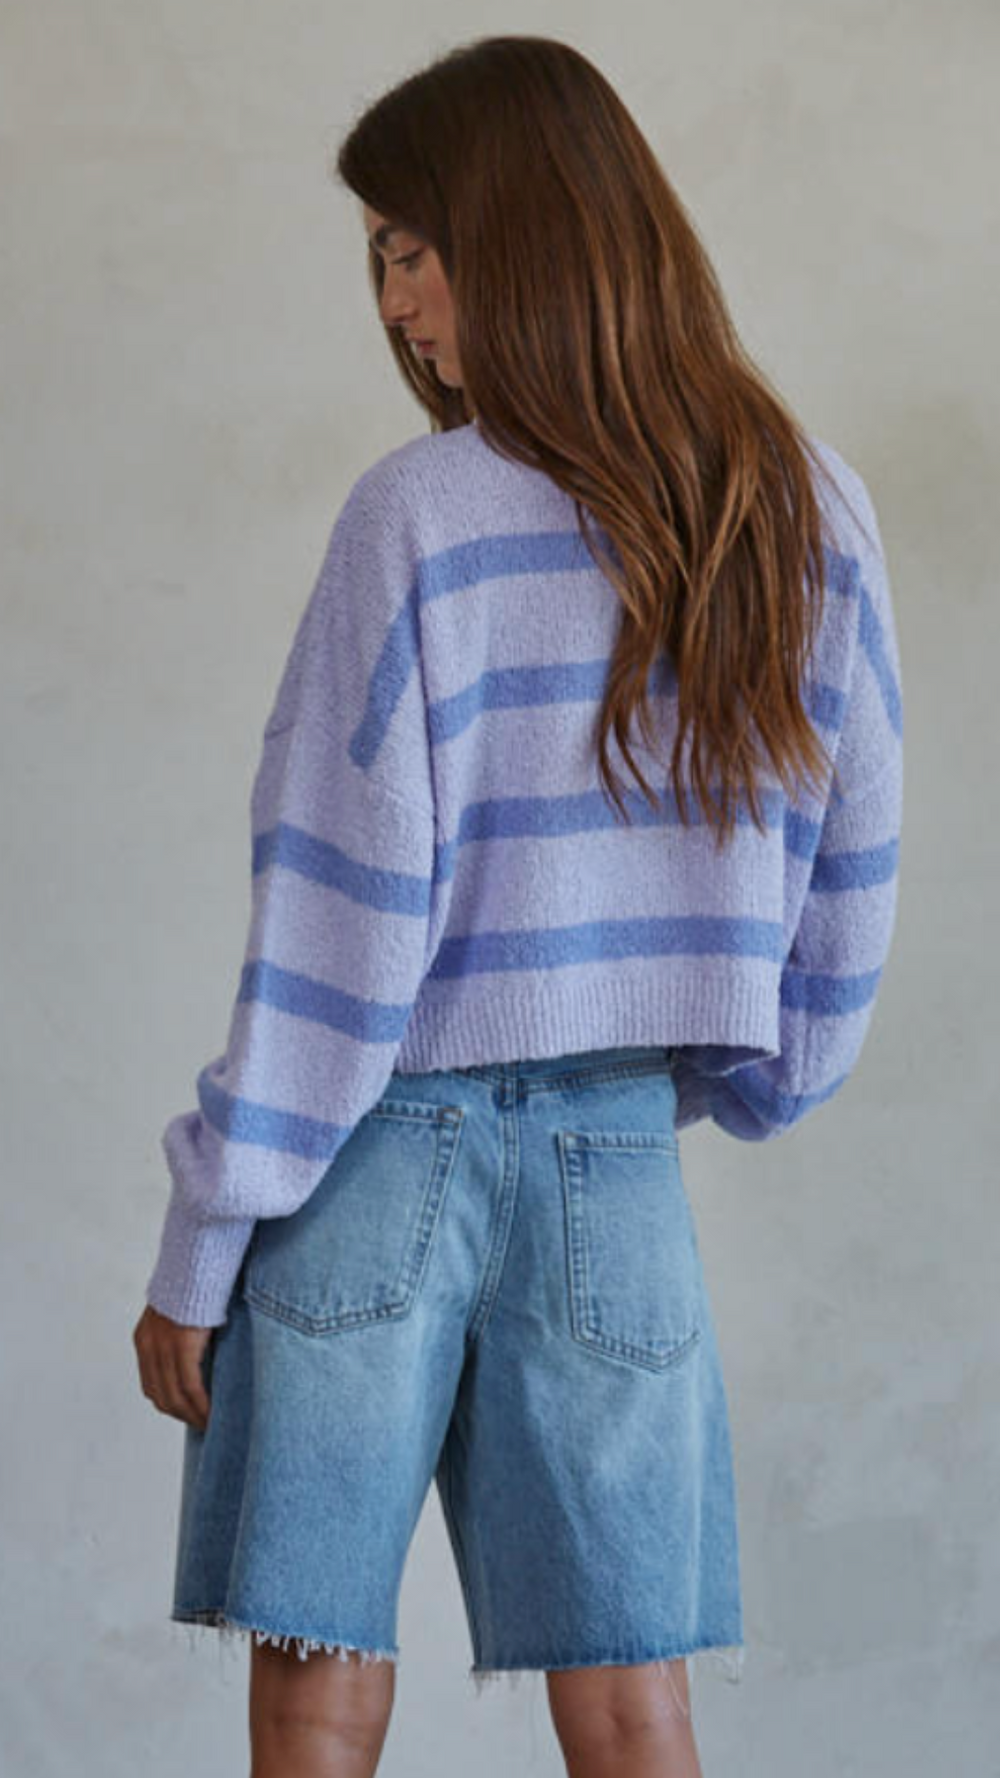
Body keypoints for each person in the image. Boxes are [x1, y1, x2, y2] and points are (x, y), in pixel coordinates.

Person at [132, 33, 903, 1778]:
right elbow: (854, 870)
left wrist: (205, 1232)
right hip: (611, 1167)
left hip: (370, 1153)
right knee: (634, 1698)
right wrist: (744, 1072)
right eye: (380, 261)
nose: (396, 304)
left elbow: (332, 922)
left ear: (526, 228)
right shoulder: (801, 506)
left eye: (414, 248)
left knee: (317, 1678)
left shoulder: (416, 517)